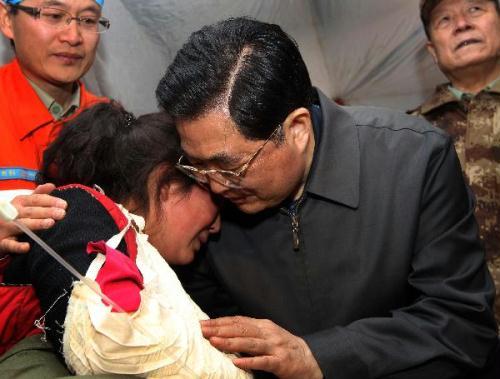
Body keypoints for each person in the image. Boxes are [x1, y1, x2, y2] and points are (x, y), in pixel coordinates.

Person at [155, 17, 499, 378]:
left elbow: (461, 324)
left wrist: (319, 355)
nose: (215, 186)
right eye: (196, 165)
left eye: (230, 168)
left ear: (297, 130)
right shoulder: (205, 202)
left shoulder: (414, 160)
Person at [1, 101, 252, 378]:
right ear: (166, 186)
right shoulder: (74, 237)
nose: (217, 224)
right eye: (212, 194)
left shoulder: (186, 277)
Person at [410, 0, 500, 324]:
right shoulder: (408, 135)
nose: (461, 23)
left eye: (475, 9)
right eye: (445, 19)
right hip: (456, 338)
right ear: (433, 51)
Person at [0, 0, 109, 254]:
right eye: (54, 15)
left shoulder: (114, 128)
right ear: (6, 18)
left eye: (88, 20)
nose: (73, 36)